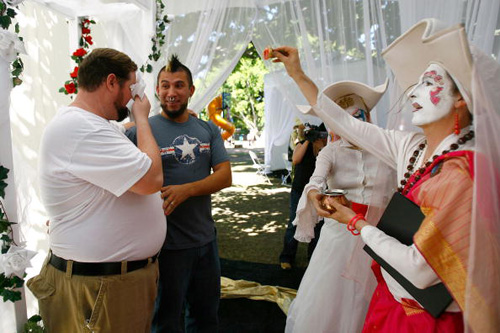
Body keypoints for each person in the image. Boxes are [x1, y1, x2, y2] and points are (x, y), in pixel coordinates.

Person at [271, 19, 500, 332]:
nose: (414, 91)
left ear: (462, 100)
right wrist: (297, 73)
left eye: (429, 83)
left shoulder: (463, 175)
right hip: (391, 299)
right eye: (417, 82)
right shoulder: (412, 146)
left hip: (429, 319)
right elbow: (345, 123)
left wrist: (355, 222)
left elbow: (420, 271)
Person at [27, 48, 165, 332]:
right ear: (111, 82)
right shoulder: (82, 128)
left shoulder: (92, 125)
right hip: (101, 286)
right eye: (132, 88)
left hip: (109, 282)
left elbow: (119, 133)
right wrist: (142, 118)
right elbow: (151, 178)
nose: (133, 99)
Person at [126, 55, 232, 333]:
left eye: (179, 85)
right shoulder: (141, 131)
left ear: (191, 91)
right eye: (165, 86)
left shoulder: (207, 129)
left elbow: (225, 175)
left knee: (206, 317)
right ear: (157, 91)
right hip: (165, 247)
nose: (171, 93)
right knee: (165, 320)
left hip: (206, 242)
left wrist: (187, 190)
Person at [286, 80, 386, 332]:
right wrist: (313, 195)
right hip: (339, 240)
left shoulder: (386, 149)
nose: (352, 125)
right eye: (343, 119)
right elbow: (314, 181)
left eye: (358, 117)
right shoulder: (331, 152)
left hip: (379, 240)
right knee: (332, 302)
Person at [279, 122, 327, 269]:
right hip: (300, 189)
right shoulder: (301, 144)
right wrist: (307, 139)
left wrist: (322, 145)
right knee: (294, 222)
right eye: (320, 135)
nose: (321, 138)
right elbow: (296, 160)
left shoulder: (328, 149)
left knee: (318, 225)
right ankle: (287, 257)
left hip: (320, 191)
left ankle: (312, 258)